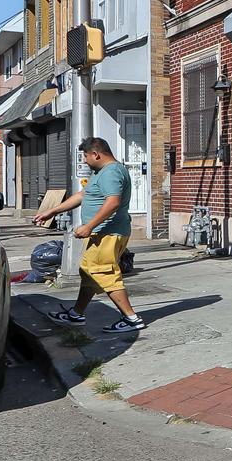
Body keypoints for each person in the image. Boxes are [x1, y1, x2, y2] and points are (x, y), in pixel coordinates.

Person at [42, 137, 145, 333]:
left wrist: (89, 226)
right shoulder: (101, 172)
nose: (84, 160)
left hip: (107, 232)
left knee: (103, 273)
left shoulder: (111, 172)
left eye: (85, 156)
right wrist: (53, 211)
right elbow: (83, 195)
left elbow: (113, 202)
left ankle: (131, 318)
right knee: (89, 273)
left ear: (96, 154)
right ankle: (76, 314)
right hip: (102, 232)